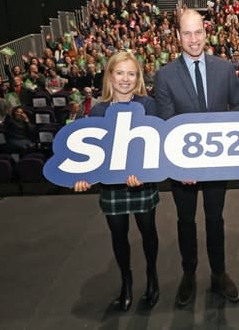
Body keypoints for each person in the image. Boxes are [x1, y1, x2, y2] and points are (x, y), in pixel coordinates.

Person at [154, 8, 239, 306]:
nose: (194, 39)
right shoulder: (164, 76)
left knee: (215, 220)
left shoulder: (226, 69)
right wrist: (181, 165)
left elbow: (238, 111)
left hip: (218, 165)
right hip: (183, 170)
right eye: (187, 33)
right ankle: (189, 274)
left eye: (198, 32)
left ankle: (219, 273)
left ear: (206, 33)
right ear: (178, 37)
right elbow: (167, 124)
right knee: (185, 221)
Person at [73, 52, 160, 311]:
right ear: (110, 76)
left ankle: (152, 278)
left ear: (138, 77)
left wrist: (143, 173)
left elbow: (156, 145)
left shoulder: (149, 104)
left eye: (131, 73)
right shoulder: (98, 110)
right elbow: (91, 152)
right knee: (119, 236)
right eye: (120, 73)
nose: (125, 79)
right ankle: (126, 281)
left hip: (142, 182)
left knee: (148, 232)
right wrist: (84, 178)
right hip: (111, 186)